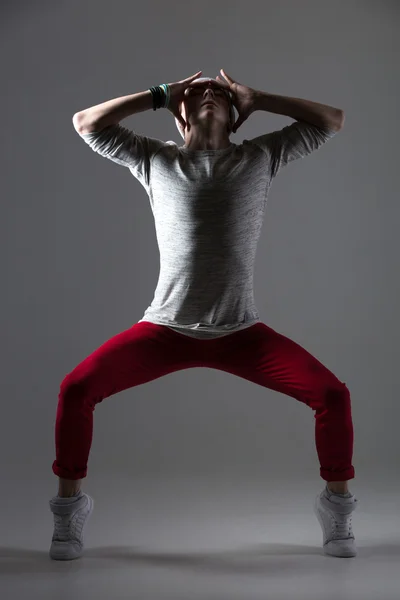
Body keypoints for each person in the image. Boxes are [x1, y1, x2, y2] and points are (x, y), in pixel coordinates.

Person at [49, 69, 358, 561]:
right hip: (165, 329)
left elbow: (332, 120)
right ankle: (68, 517)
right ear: (179, 115)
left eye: (220, 92)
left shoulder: (260, 155)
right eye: (197, 93)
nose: (209, 95)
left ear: (238, 118)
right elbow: (86, 122)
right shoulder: (154, 159)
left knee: (331, 395)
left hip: (241, 332)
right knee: (76, 390)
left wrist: (260, 98)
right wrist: (159, 94)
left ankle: (337, 512)